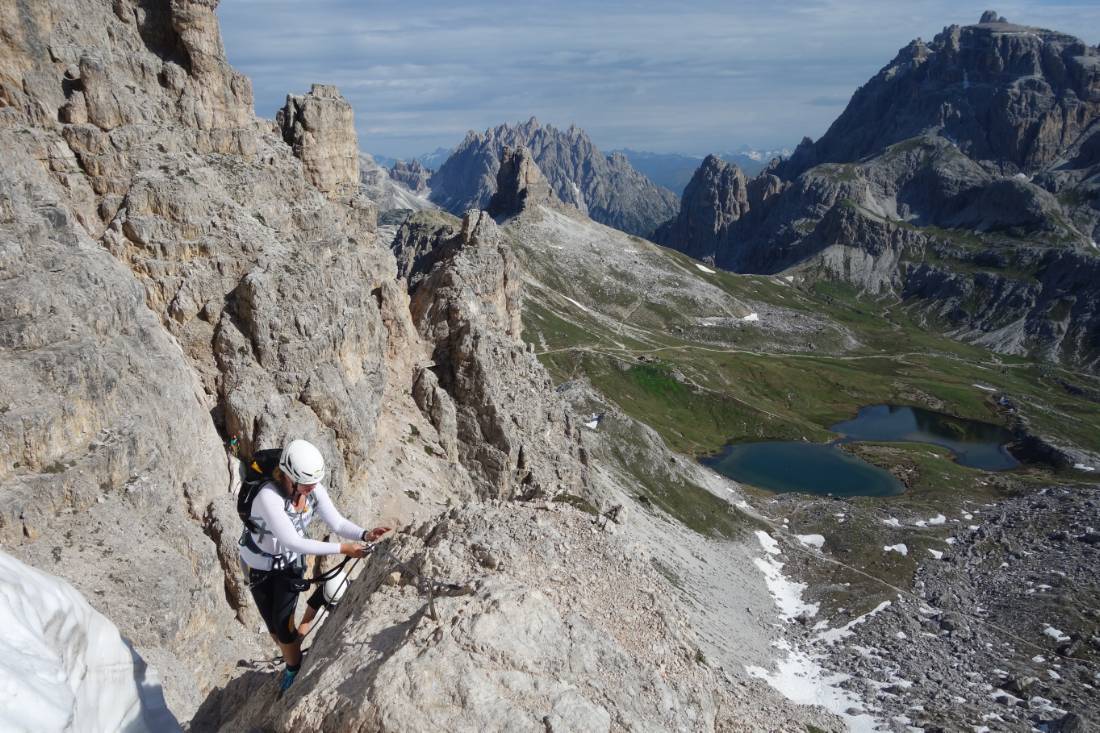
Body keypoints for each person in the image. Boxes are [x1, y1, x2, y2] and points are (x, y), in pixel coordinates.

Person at [238, 439, 389, 692]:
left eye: (313, 484)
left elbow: (338, 524)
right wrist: (344, 549)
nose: (312, 489)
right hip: (258, 567)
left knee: (283, 628)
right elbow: (293, 541)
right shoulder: (268, 496)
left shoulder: (310, 488)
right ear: (289, 477)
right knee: (274, 628)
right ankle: (290, 650)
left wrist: (364, 534)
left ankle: (292, 668)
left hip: (288, 567)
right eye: (307, 485)